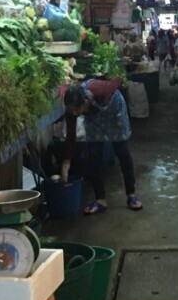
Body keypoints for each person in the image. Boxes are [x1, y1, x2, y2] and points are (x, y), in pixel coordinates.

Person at [61, 78, 143, 214]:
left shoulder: (101, 92)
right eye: (71, 110)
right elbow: (71, 136)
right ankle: (100, 199)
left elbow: (118, 79)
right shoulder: (72, 109)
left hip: (114, 110)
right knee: (94, 154)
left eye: (77, 110)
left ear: (85, 102)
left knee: (121, 150)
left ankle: (131, 194)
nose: (74, 113)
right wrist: (66, 162)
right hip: (94, 119)